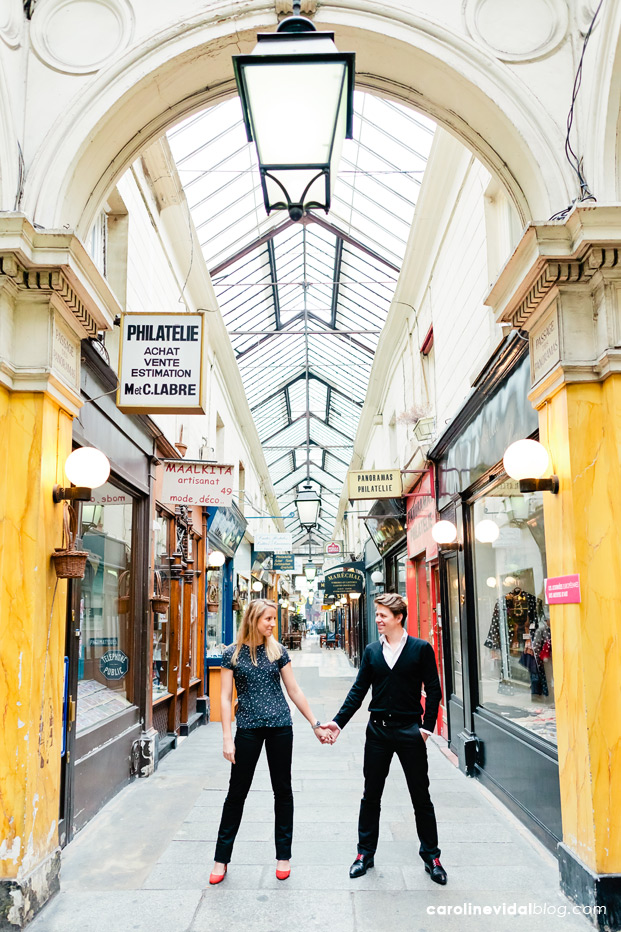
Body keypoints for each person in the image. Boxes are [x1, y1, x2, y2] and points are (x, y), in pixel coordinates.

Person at [323, 593, 447, 885]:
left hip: (409, 731)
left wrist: (426, 729)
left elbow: (434, 689)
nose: (377, 619)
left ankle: (432, 855)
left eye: (383, 615)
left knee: (421, 795)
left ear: (398, 617)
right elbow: (358, 690)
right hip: (377, 731)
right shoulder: (371, 651)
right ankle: (364, 853)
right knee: (371, 795)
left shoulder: (420, 649)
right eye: (377, 614)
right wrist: (338, 723)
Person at [210, 598, 332, 885]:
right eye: (268, 619)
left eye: (274, 619)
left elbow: (294, 690)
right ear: (253, 619)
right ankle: (221, 858)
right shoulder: (232, 654)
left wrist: (315, 723)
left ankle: (283, 856)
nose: (272, 624)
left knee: (283, 791)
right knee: (236, 794)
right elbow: (225, 698)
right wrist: (227, 738)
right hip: (248, 729)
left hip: (280, 727)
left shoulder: (278, 651)